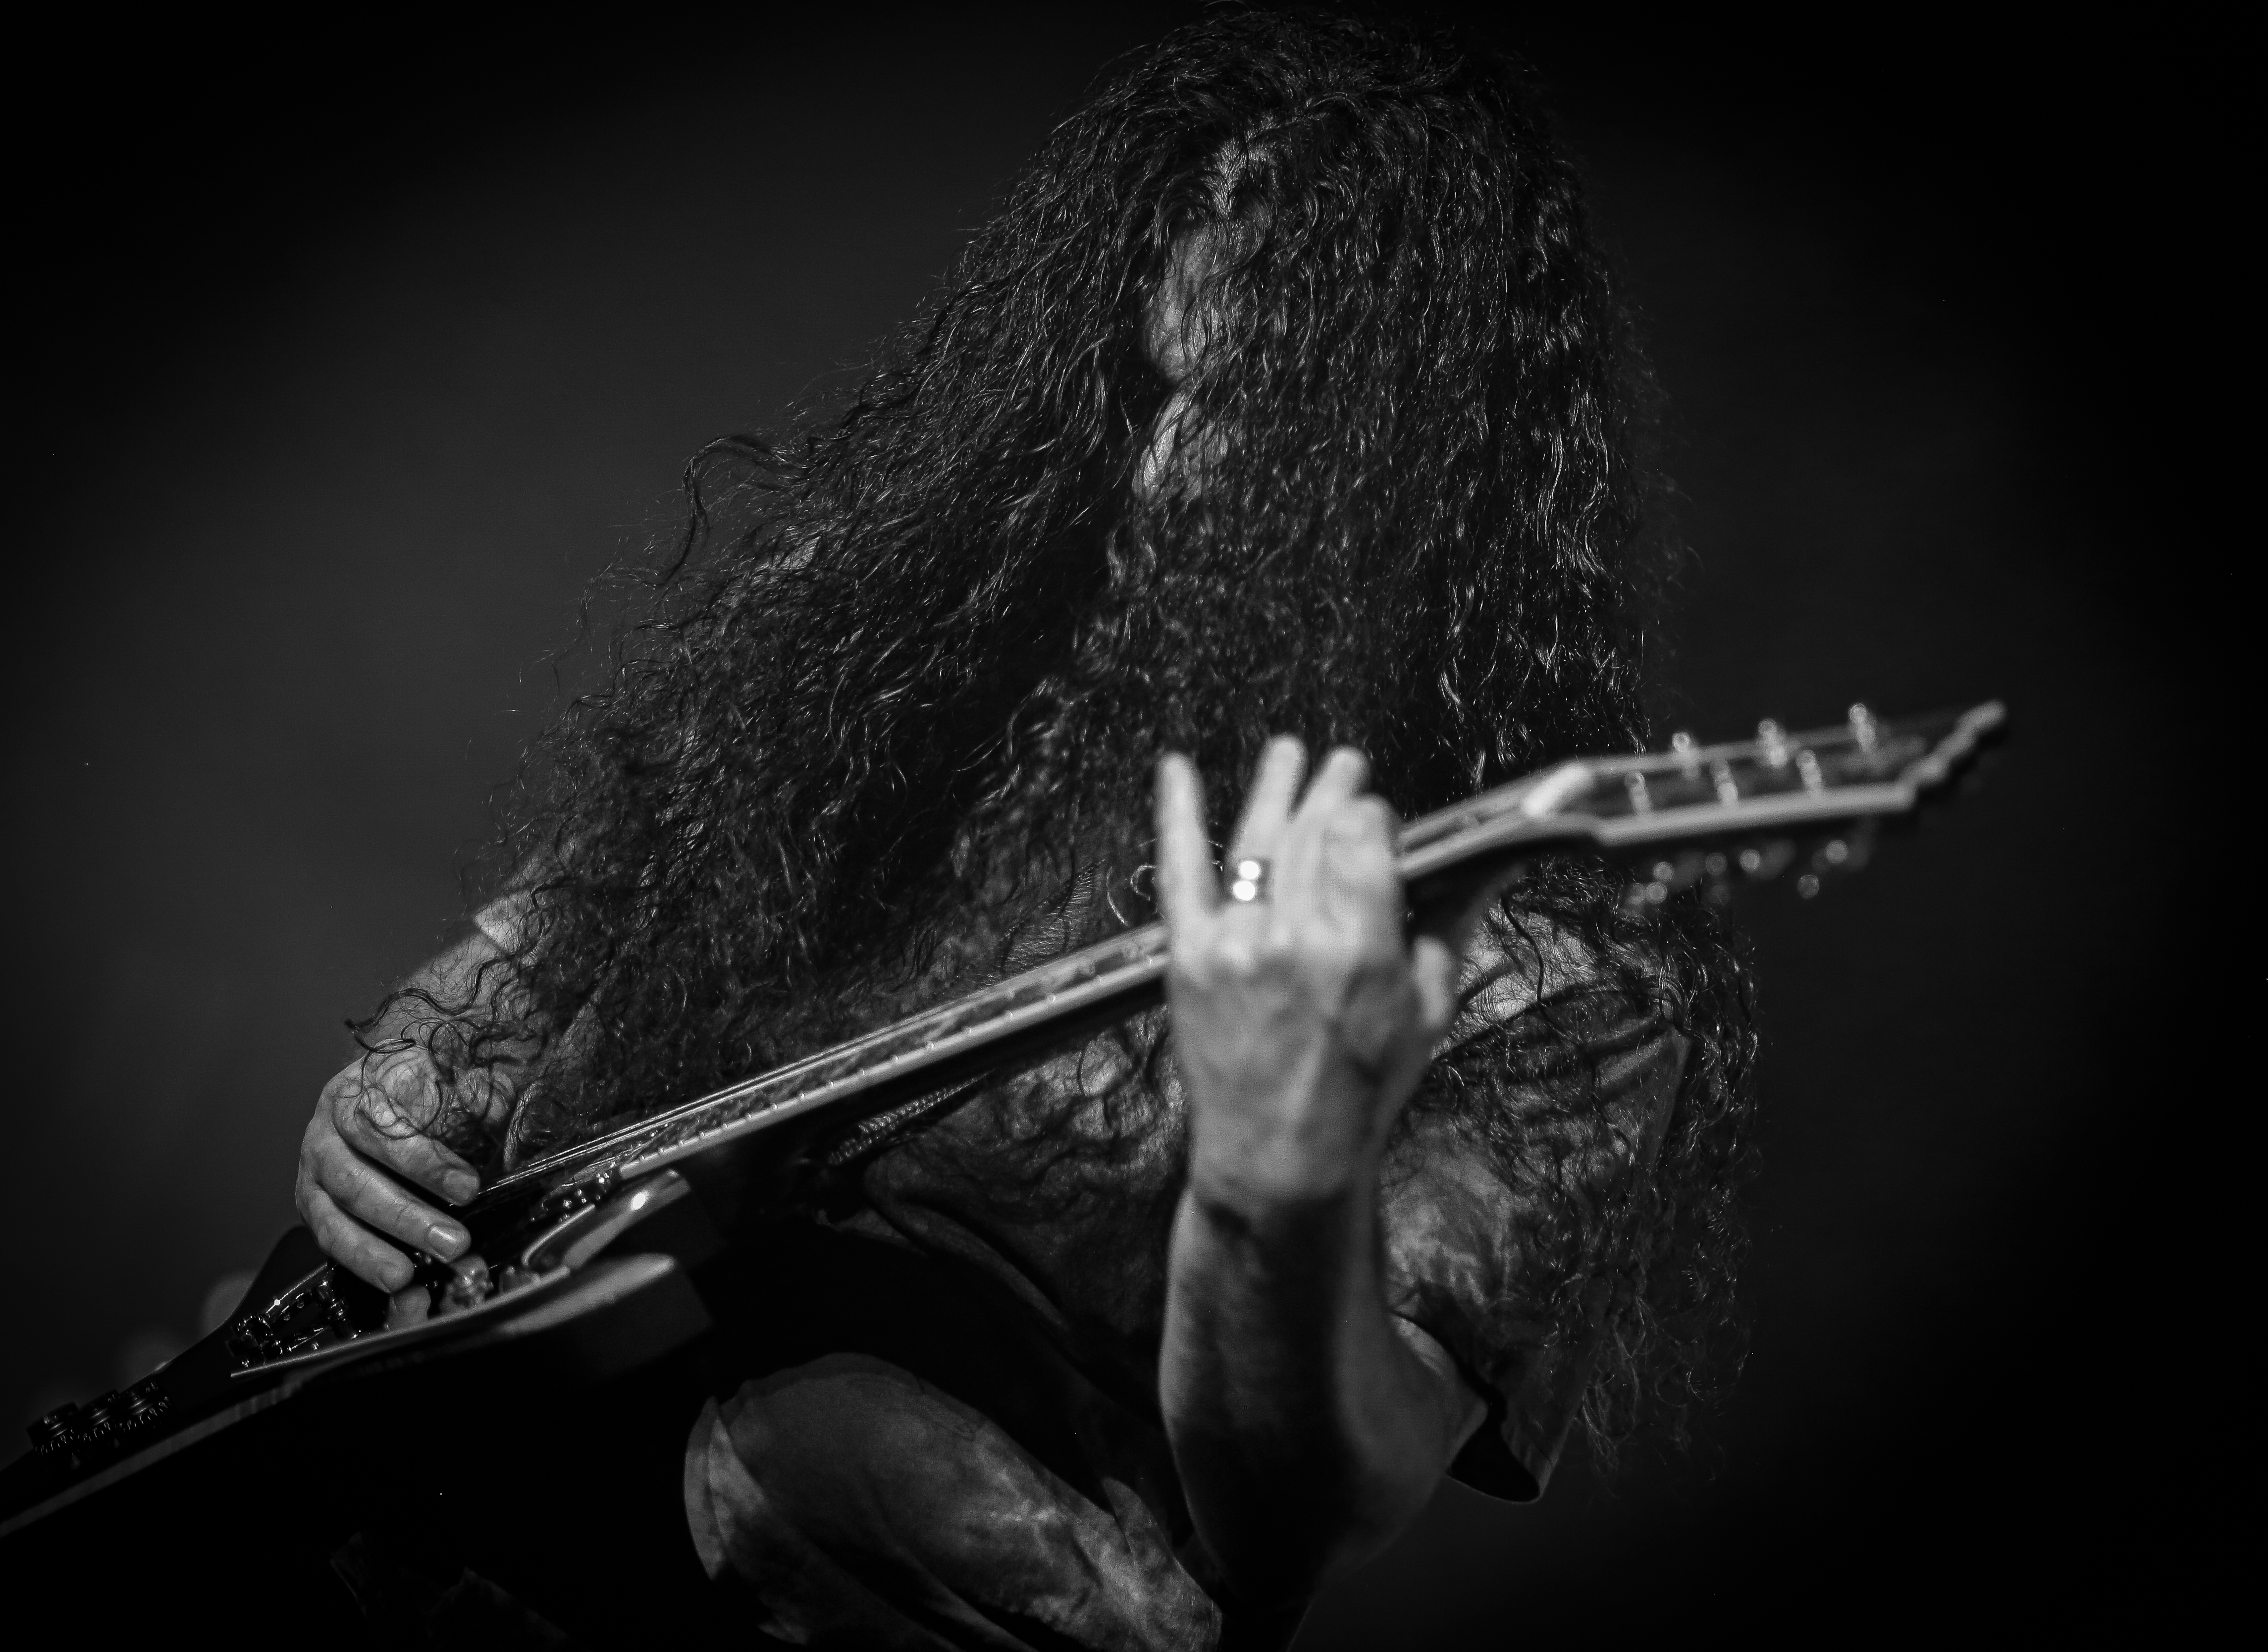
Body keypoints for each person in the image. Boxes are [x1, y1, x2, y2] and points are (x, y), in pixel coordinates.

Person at [294, 13, 1755, 1648]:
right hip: (438, 1521)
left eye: (1251, 410)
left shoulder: (1541, 974)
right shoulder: (902, 657)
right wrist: (409, 1078)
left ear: (1432, 465)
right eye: (1140, 385)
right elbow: (551, 934)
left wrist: (1274, 1177)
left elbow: (1309, 1517)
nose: (1159, 471)